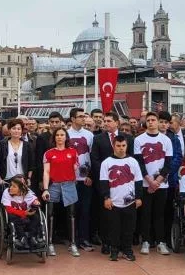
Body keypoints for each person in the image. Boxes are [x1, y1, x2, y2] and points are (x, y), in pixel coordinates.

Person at [90, 111, 133, 255]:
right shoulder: (98, 139)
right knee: (105, 213)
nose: (106, 123)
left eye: (109, 121)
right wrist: (106, 173)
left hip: (124, 182)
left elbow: (132, 159)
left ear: (117, 123)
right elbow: (94, 159)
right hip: (105, 182)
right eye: (105, 121)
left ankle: (122, 244)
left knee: (124, 214)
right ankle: (106, 242)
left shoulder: (127, 138)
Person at [134, 112, 173, 255]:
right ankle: (146, 241)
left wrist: (157, 181)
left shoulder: (166, 140)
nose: (150, 122)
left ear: (157, 122)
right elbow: (139, 163)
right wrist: (150, 181)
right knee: (146, 214)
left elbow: (168, 163)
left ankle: (161, 242)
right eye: (148, 120)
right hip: (145, 184)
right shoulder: (138, 140)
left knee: (159, 214)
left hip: (161, 184)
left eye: (153, 120)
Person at [100, 135, 143, 261]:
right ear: (113, 146)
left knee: (129, 228)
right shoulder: (106, 162)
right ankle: (114, 250)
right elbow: (103, 182)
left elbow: (138, 181)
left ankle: (127, 250)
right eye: (118, 146)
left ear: (127, 146)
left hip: (130, 202)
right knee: (114, 228)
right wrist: (106, 197)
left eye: (123, 145)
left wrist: (138, 197)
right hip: (113, 202)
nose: (121, 148)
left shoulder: (133, 161)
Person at [41, 127, 80, 257]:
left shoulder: (73, 152)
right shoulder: (49, 153)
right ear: (54, 137)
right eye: (57, 135)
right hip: (53, 185)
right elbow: (46, 172)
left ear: (66, 137)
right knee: (50, 214)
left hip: (69, 185)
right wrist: (46, 189)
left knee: (72, 215)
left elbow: (75, 168)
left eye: (62, 135)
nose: (59, 137)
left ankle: (72, 243)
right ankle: (49, 243)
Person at [67, 108, 95, 252]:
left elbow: (93, 157)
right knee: (72, 210)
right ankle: (72, 239)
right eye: (80, 117)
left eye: (84, 116)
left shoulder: (89, 135)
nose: (83, 119)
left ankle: (84, 239)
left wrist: (90, 175)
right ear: (72, 119)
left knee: (85, 210)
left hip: (85, 178)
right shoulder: (66, 134)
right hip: (70, 179)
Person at [1, 175, 42, 249]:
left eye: (14, 186)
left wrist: (36, 202)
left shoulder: (28, 192)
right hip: (14, 214)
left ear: (21, 188)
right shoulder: (6, 192)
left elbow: (34, 200)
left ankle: (32, 238)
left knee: (36, 217)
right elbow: (8, 209)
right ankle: (22, 239)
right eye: (10, 185)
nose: (10, 188)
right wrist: (23, 213)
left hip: (26, 214)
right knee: (14, 218)